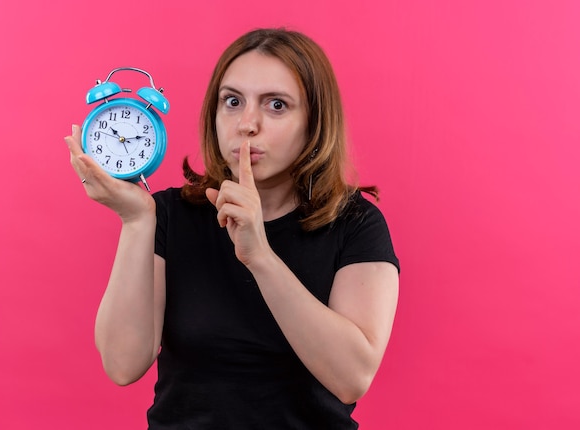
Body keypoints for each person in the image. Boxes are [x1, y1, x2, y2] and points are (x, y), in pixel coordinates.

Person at [66, 28, 400, 429]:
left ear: (314, 122)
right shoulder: (169, 214)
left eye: (277, 105)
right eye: (232, 101)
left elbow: (352, 379)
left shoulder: (355, 223)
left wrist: (259, 256)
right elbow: (122, 365)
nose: (247, 124)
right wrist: (137, 222)